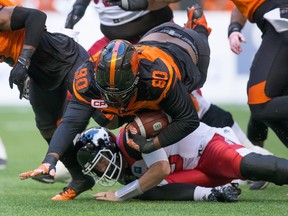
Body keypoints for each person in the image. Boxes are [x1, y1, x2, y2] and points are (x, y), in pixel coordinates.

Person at [19, 5, 212, 200]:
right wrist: (49, 159)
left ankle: (199, 27)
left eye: (120, 91)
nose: (114, 97)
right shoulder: (87, 77)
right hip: (152, 38)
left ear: (136, 78)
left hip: (188, 50)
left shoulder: (157, 78)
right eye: (107, 90)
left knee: (183, 104)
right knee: (109, 117)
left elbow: (188, 120)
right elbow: (71, 122)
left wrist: (152, 144)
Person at [0, 0, 95, 196]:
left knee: (103, 113)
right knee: (47, 126)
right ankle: (80, 177)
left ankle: (142, 163)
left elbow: (36, 17)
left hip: (65, 58)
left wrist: (23, 61)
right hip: (40, 74)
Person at [75, 122, 288, 202]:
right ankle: (213, 193)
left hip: (208, 149)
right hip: (197, 173)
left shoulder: (132, 138)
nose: (103, 170)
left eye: (101, 162)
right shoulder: (125, 170)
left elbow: (161, 169)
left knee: (260, 168)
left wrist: (120, 195)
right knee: (144, 189)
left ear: (111, 147)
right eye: (96, 169)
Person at [227, 2, 288, 148]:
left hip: (280, 22)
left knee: (260, 104)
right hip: (277, 23)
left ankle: (255, 161)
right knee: (268, 108)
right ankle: (256, 160)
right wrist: (234, 28)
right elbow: (242, 7)